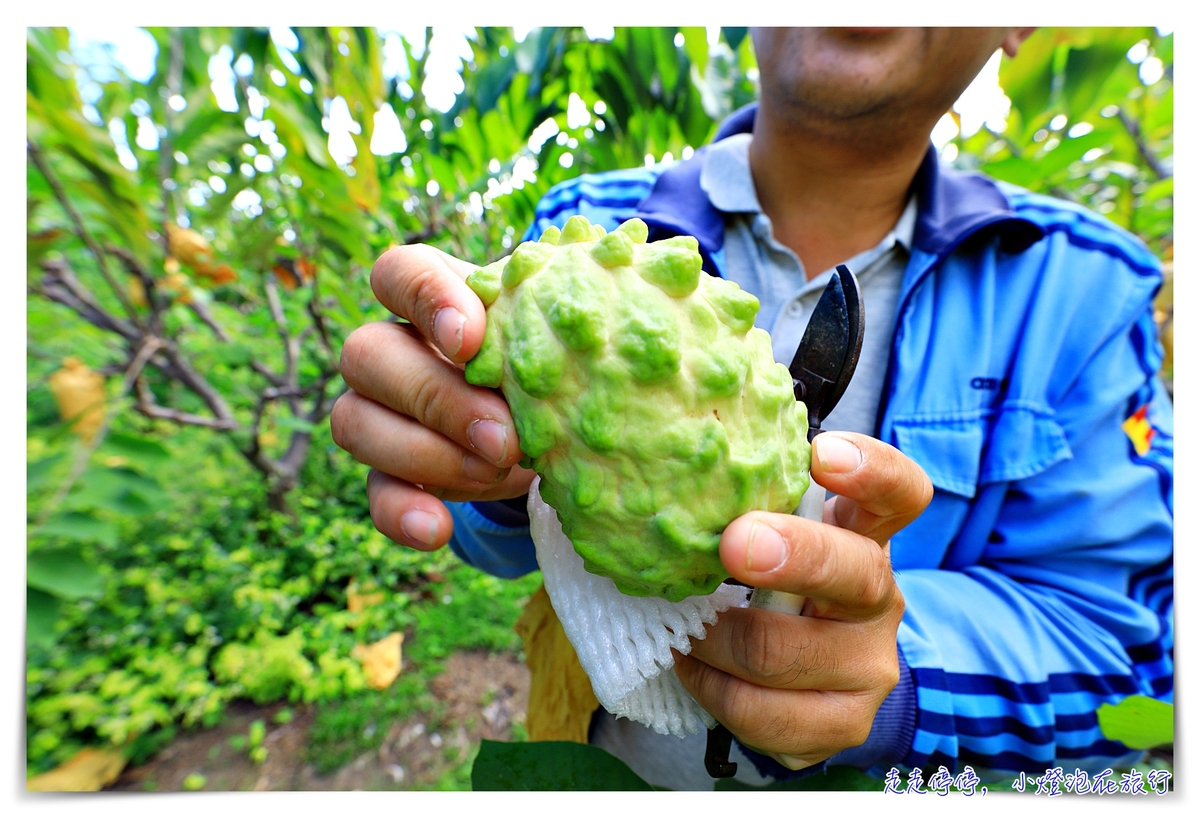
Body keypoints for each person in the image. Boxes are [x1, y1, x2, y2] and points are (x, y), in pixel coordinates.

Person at [331, 27, 1174, 789]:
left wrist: (897, 682)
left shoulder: (1082, 291)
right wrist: (481, 470)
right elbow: (511, 525)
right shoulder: (585, 225)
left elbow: (1138, 656)